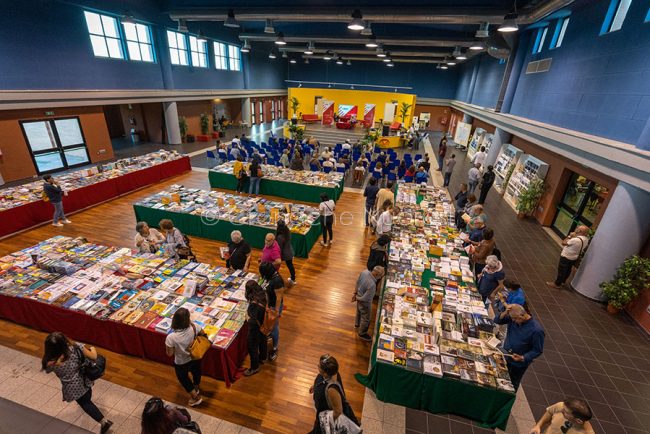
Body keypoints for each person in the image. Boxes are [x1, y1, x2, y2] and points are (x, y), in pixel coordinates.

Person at [42, 332, 113, 433]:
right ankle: (90, 404)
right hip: (85, 378)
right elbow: (93, 356)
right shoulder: (75, 347)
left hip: (72, 388)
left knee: (85, 403)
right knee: (87, 396)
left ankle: (104, 423)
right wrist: (92, 347)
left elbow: (47, 370)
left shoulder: (50, 362)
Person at [493, 304, 544, 390]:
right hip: (505, 355)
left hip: (518, 364)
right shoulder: (513, 318)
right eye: (512, 318)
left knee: (512, 384)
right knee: (499, 378)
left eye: (515, 319)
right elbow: (497, 320)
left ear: (522, 315)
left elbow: (537, 350)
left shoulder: (537, 330)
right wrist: (505, 312)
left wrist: (523, 357)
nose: (513, 321)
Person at [309, 354, 359, 434]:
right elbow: (321, 381)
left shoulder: (332, 390)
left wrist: (326, 422)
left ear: (325, 373)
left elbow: (338, 411)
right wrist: (315, 387)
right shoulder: (331, 374)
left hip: (325, 418)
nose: (317, 365)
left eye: (319, 366)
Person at [165, 308, 203, 407]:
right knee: (196, 371)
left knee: (184, 379)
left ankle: (195, 397)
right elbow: (203, 335)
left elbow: (169, 353)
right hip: (195, 357)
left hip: (181, 362)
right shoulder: (195, 327)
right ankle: (196, 387)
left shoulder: (171, 337)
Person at [352, 266, 385, 341]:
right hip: (364, 303)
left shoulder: (365, 272)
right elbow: (365, 299)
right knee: (366, 318)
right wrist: (357, 298)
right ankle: (362, 333)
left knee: (359, 312)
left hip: (358, 295)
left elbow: (357, 282)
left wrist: (355, 294)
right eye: (380, 276)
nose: (380, 278)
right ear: (377, 275)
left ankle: (357, 324)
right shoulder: (372, 285)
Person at [259, 262, 284, 361]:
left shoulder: (277, 281)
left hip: (274, 307)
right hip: (269, 305)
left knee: (274, 327)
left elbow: (279, 298)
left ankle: (274, 347)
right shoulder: (269, 277)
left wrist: (276, 312)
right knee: (269, 325)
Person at [530, 398, 595, 434]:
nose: (561, 410)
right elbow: (549, 412)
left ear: (578, 421)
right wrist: (538, 426)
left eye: (565, 412)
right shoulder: (561, 406)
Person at [244, 280, 267, 376]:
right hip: (263, 325)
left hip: (255, 329)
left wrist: (247, 316)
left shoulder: (254, 304)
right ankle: (263, 357)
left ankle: (254, 367)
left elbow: (252, 321)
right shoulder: (262, 295)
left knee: (252, 346)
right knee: (263, 340)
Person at [275, 219, 296, 285]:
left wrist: (277, 256)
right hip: (290, 252)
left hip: (285, 254)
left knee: (276, 266)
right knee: (290, 266)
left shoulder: (280, 237)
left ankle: (275, 279)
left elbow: (279, 248)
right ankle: (293, 278)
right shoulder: (287, 232)